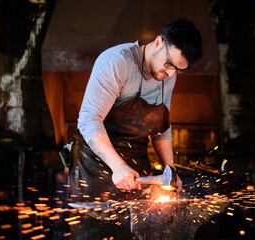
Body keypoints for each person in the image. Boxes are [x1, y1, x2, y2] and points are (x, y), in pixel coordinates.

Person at [67, 18, 202, 239]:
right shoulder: (116, 62)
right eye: (169, 64)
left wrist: (170, 168)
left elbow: (162, 128)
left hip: (135, 167)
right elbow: (89, 119)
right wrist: (118, 166)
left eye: (179, 70)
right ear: (158, 42)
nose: (170, 74)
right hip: (94, 167)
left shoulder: (168, 76)